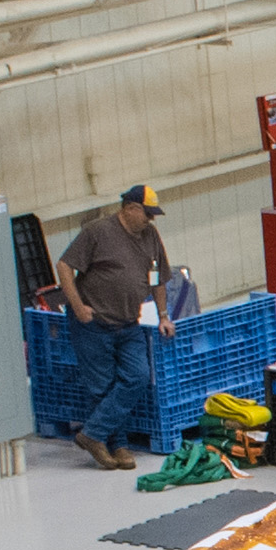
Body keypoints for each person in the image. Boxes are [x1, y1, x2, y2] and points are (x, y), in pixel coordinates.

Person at [55, 183, 173, 465]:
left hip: (127, 322)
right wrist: (77, 305)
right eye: (147, 214)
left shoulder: (150, 236)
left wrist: (164, 315)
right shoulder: (98, 231)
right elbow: (64, 265)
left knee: (138, 376)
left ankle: (93, 434)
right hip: (93, 324)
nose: (150, 220)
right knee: (103, 387)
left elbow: (156, 278)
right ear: (130, 209)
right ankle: (117, 447)